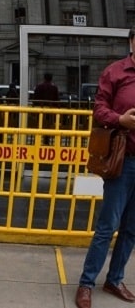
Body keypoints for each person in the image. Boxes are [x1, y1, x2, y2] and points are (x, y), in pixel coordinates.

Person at [75, 27, 135, 308]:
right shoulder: (116, 72)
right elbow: (99, 109)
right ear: (132, 42)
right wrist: (120, 120)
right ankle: (86, 283)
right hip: (123, 161)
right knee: (107, 226)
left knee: (131, 228)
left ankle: (114, 279)